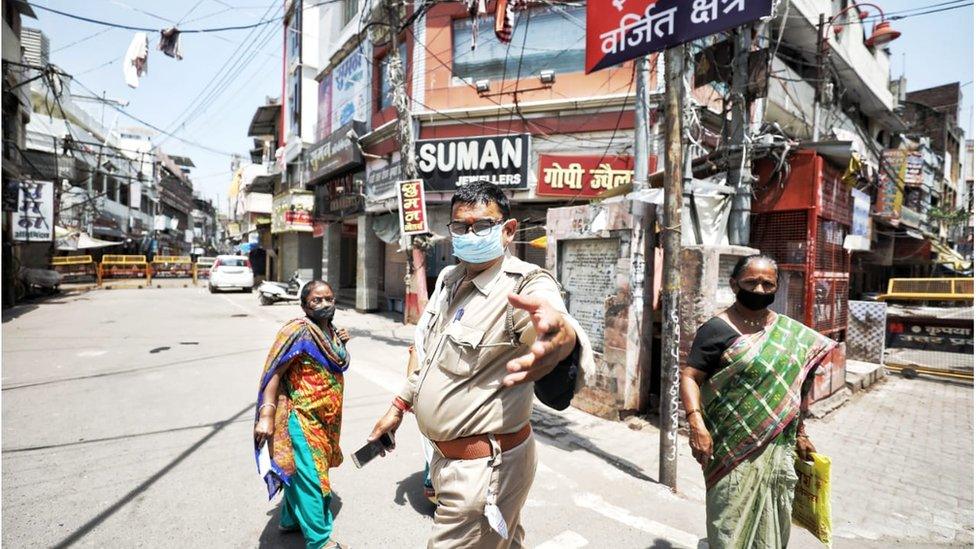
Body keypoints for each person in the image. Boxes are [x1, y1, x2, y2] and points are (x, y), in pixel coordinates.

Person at [369, 180, 594, 548]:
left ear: (507, 231)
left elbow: (554, 320)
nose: (470, 234)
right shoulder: (448, 279)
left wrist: (560, 339)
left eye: (482, 226)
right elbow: (432, 359)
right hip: (447, 463)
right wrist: (398, 406)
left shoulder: (524, 286)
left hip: (485, 472)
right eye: (460, 226)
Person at [680, 254, 837, 548]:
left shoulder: (790, 332)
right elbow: (690, 377)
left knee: (773, 520)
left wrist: (801, 433)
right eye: (751, 282)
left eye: (768, 284)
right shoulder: (716, 329)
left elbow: (799, 386)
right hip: (729, 448)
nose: (760, 290)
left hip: (778, 447)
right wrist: (696, 424)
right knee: (728, 521)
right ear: (734, 283)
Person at [254, 280, 351, 549]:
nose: (324, 305)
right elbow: (274, 373)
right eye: (316, 301)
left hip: (326, 422)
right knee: (312, 480)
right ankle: (319, 541)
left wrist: (342, 342)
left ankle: (290, 519)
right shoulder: (298, 332)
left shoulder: (330, 331)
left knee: (303, 472)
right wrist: (266, 415)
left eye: (328, 299)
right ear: (304, 306)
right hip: (300, 419)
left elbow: (338, 362)